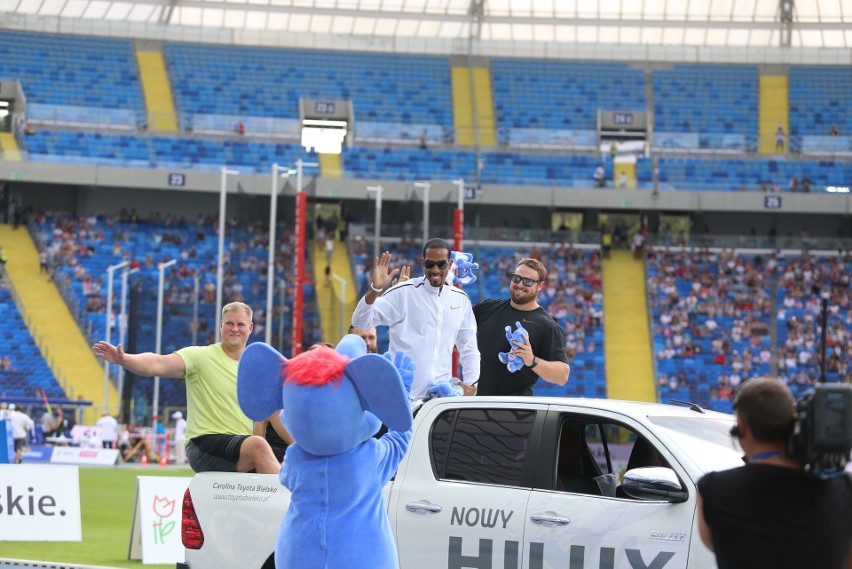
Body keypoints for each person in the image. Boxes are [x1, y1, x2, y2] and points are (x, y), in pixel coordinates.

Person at [92, 302, 279, 474]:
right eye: (230, 323)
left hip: (238, 446)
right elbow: (158, 363)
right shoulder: (200, 356)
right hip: (204, 444)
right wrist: (124, 359)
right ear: (221, 325)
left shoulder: (255, 369)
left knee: (283, 455)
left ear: (250, 328)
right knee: (258, 446)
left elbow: (265, 418)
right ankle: (296, 506)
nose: (235, 329)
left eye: (240, 324)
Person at [697, 378, 852, 569]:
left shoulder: (712, 489)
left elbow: (715, 543)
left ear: (741, 426)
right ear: (794, 422)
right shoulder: (844, 490)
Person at [351, 239, 480, 400]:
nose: (435, 270)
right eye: (429, 264)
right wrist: (375, 289)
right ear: (422, 262)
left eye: (441, 264)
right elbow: (360, 322)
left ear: (450, 263)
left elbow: (469, 348)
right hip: (403, 398)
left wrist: (472, 386)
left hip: (440, 402)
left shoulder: (461, 300)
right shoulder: (404, 292)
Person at [473, 258, 570, 396]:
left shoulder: (547, 325)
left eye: (528, 281)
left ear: (540, 286)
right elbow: (454, 323)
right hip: (475, 404)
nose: (520, 284)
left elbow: (562, 376)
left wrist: (531, 360)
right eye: (517, 278)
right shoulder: (487, 308)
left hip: (515, 412)